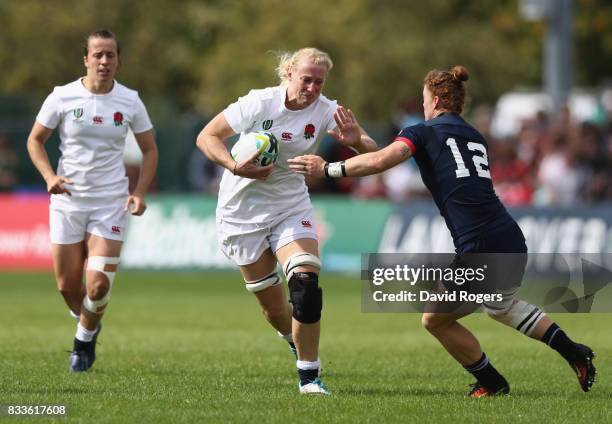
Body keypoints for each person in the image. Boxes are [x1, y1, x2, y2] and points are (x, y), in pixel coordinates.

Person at [288, 66, 596, 397]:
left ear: (434, 100)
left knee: (434, 319)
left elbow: (381, 163)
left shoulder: (423, 131)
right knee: (501, 306)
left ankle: (493, 382)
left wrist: (329, 168)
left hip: (480, 244)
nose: (422, 107)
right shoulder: (474, 135)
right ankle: (574, 352)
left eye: (423, 100)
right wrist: (360, 140)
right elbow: (383, 158)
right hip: (507, 235)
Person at [196, 47, 376, 395]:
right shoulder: (258, 103)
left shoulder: (328, 110)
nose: (311, 88)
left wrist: (358, 143)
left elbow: (374, 151)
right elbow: (207, 136)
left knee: (306, 284)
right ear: (289, 73)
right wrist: (235, 166)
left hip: (290, 207)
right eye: (306, 79)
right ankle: (293, 341)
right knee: (275, 310)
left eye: (319, 82)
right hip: (240, 215)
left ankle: (309, 376)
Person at [26, 29, 158, 372]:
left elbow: (149, 150)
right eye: (97, 55)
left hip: (110, 202)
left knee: (97, 285)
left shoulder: (130, 100)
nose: (104, 61)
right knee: (67, 286)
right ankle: (89, 322)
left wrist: (139, 192)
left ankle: (83, 342)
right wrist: (50, 178)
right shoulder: (62, 96)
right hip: (68, 202)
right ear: (85, 59)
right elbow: (35, 141)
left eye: (110, 55)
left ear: (117, 60)